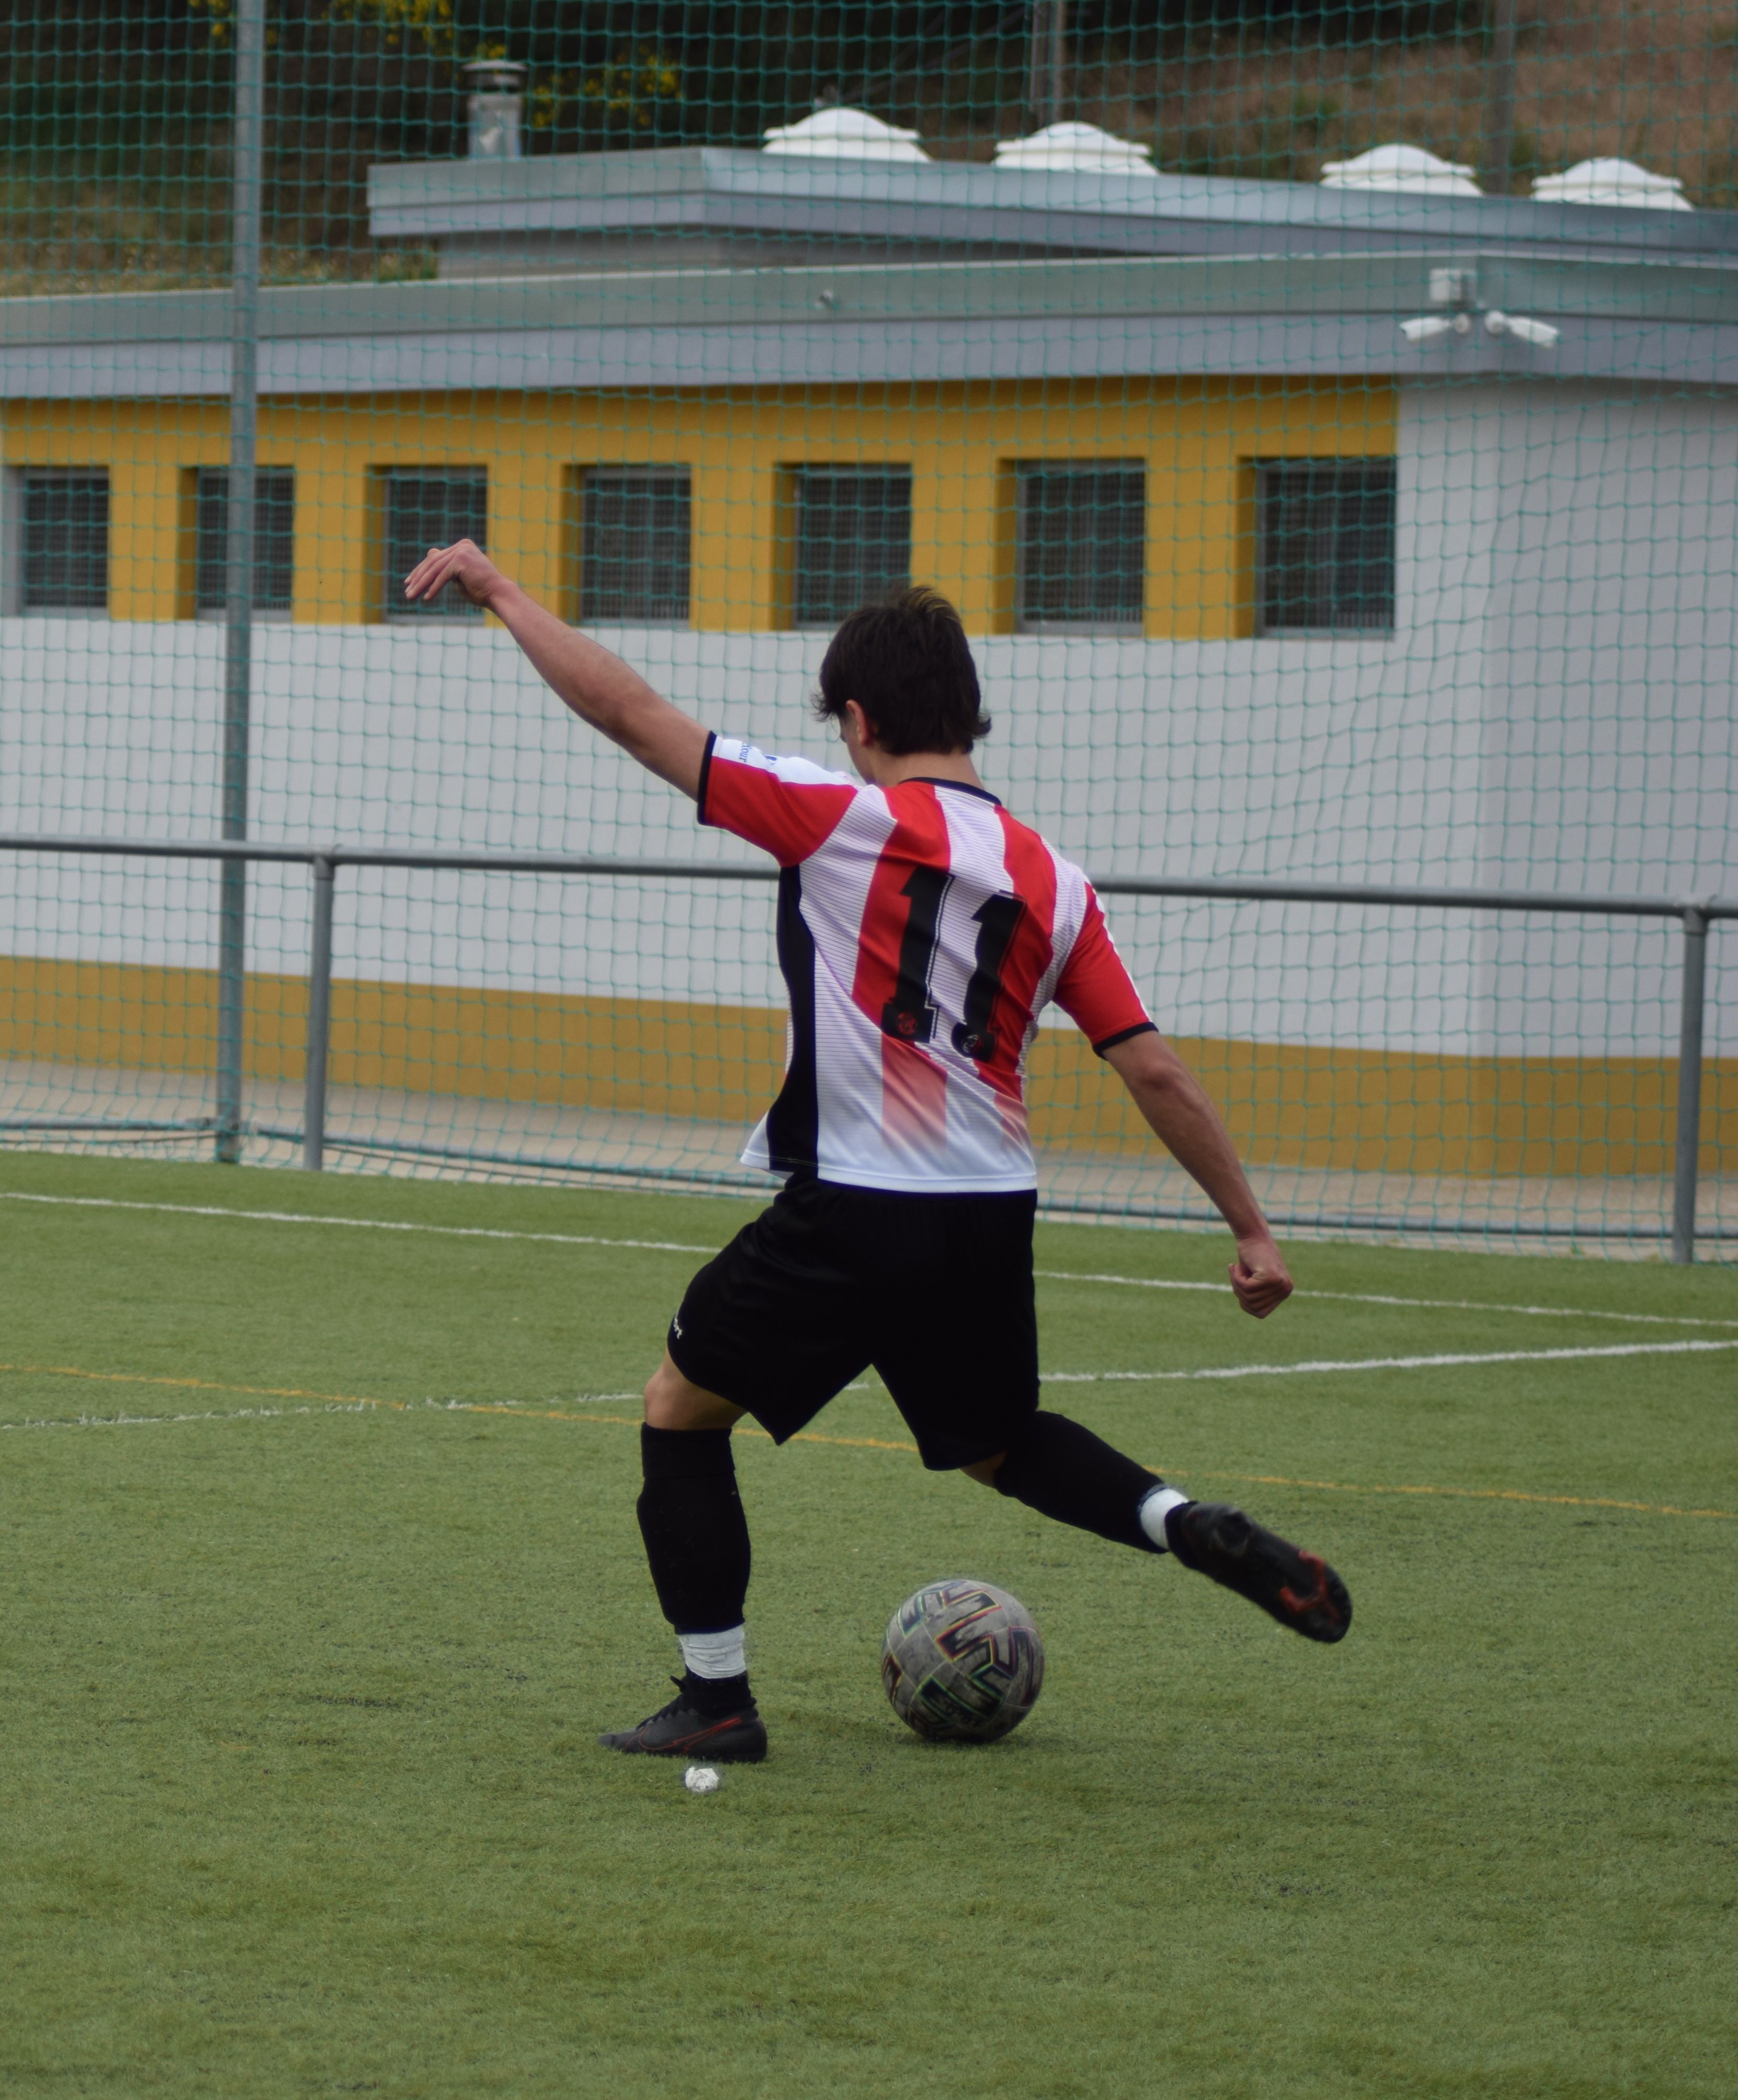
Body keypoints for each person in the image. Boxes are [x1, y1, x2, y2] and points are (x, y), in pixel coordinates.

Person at [395, 547, 1351, 1766]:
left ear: (859, 719)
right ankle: (1180, 1520)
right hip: (989, 1209)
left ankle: (718, 1695)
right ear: (969, 714)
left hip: (854, 1203)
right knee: (1003, 1443)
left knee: (680, 1410)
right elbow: (1150, 1064)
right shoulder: (1057, 880)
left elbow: (627, 712)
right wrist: (1250, 1227)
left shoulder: (835, 814)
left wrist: (508, 594)